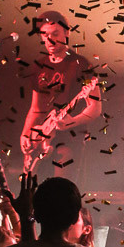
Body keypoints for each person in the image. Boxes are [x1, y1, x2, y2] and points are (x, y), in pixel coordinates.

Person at [20, 10, 102, 178]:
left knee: (61, 190)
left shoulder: (80, 64)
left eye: (55, 34)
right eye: (45, 34)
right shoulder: (39, 66)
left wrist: (73, 121)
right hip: (42, 137)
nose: (50, 39)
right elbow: (36, 109)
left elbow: (95, 107)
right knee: (33, 189)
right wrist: (25, 134)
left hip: (70, 138)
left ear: (67, 32)